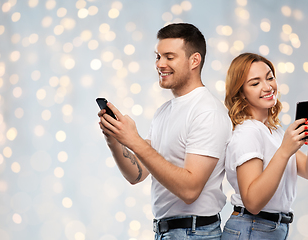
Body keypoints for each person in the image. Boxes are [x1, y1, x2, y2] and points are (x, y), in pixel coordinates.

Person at [98, 23, 232, 239]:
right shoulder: (163, 112)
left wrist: (135, 141)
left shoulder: (207, 111)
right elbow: (137, 174)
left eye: (169, 57)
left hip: (195, 233)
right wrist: (115, 139)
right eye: (158, 56)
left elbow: (190, 190)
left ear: (194, 61)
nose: (160, 64)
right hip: (167, 232)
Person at [221, 53, 308, 239]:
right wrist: (284, 151)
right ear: (241, 93)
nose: (268, 87)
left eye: (270, 77)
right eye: (255, 83)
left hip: (269, 229)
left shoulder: (274, 132)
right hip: (252, 228)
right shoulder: (248, 132)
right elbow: (252, 202)